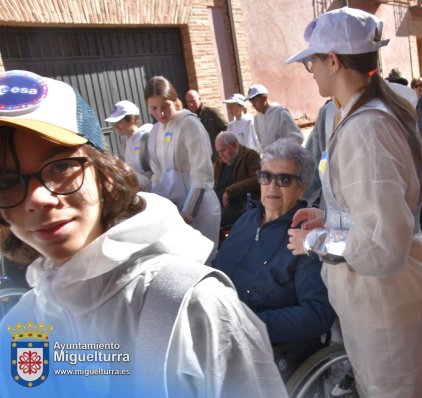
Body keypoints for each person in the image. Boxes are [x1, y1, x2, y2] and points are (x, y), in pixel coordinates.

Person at [0, 70, 287, 398]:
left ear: (105, 175)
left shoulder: (193, 308)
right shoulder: (17, 330)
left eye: (61, 167)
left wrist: (189, 204)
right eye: (6, 182)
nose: (38, 198)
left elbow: (200, 174)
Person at [284, 7, 422, 397]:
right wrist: (330, 216)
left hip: (385, 300)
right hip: (383, 298)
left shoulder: (367, 127)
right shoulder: (366, 114)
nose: (313, 71)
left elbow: (381, 248)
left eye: (313, 63)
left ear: (334, 61)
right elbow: (379, 206)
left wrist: (315, 243)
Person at [213, 139, 335, 348]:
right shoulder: (247, 219)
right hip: (214, 325)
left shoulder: (306, 235)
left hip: (258, 345)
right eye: (265, 176)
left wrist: (247, 325)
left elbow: (317, 314)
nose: (271, 186)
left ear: (301, 188)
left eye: (284, 179)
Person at [145, 76, 221, 250]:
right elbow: (157, 173)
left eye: (165, 106)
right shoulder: (155, 131)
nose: (160, 114)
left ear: (174, 100)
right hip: (173, 208)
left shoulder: (189, 123)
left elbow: (201, 171)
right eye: (153, 108)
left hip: (198, 207)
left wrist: (188, 211)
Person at [213, 132, 261, 228]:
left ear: (235, 145)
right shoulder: (219, 161)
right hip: (218, 205)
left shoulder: (250, 156)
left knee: (213, 220)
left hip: (239, 205)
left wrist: (230, 191)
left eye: (223, 150)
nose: (221, 155)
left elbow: (257, 179)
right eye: (218, 151)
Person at [105, 100, 153, 191]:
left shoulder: (146, 138)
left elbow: (155, 173)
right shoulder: (124, 144)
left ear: (132, 119)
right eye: (114, 123)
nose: (115, 126)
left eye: (119, 122)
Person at [246, 84, 303, 151]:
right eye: (251, 102)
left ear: (264, 98)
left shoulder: (281, 113)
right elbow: (261, 144)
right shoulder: (257, 119)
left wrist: (282, 151)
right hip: (268, 159)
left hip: (283, 158)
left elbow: (298, 137)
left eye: (255, 101)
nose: (253, 105)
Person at [185, 89, 228, 159]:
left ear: (199, 99)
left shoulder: (211, 113)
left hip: (216, 156)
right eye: (188, 102)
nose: (191, 104)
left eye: (193, 101)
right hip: (200, 158)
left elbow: (226, 129)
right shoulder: (188, 118)